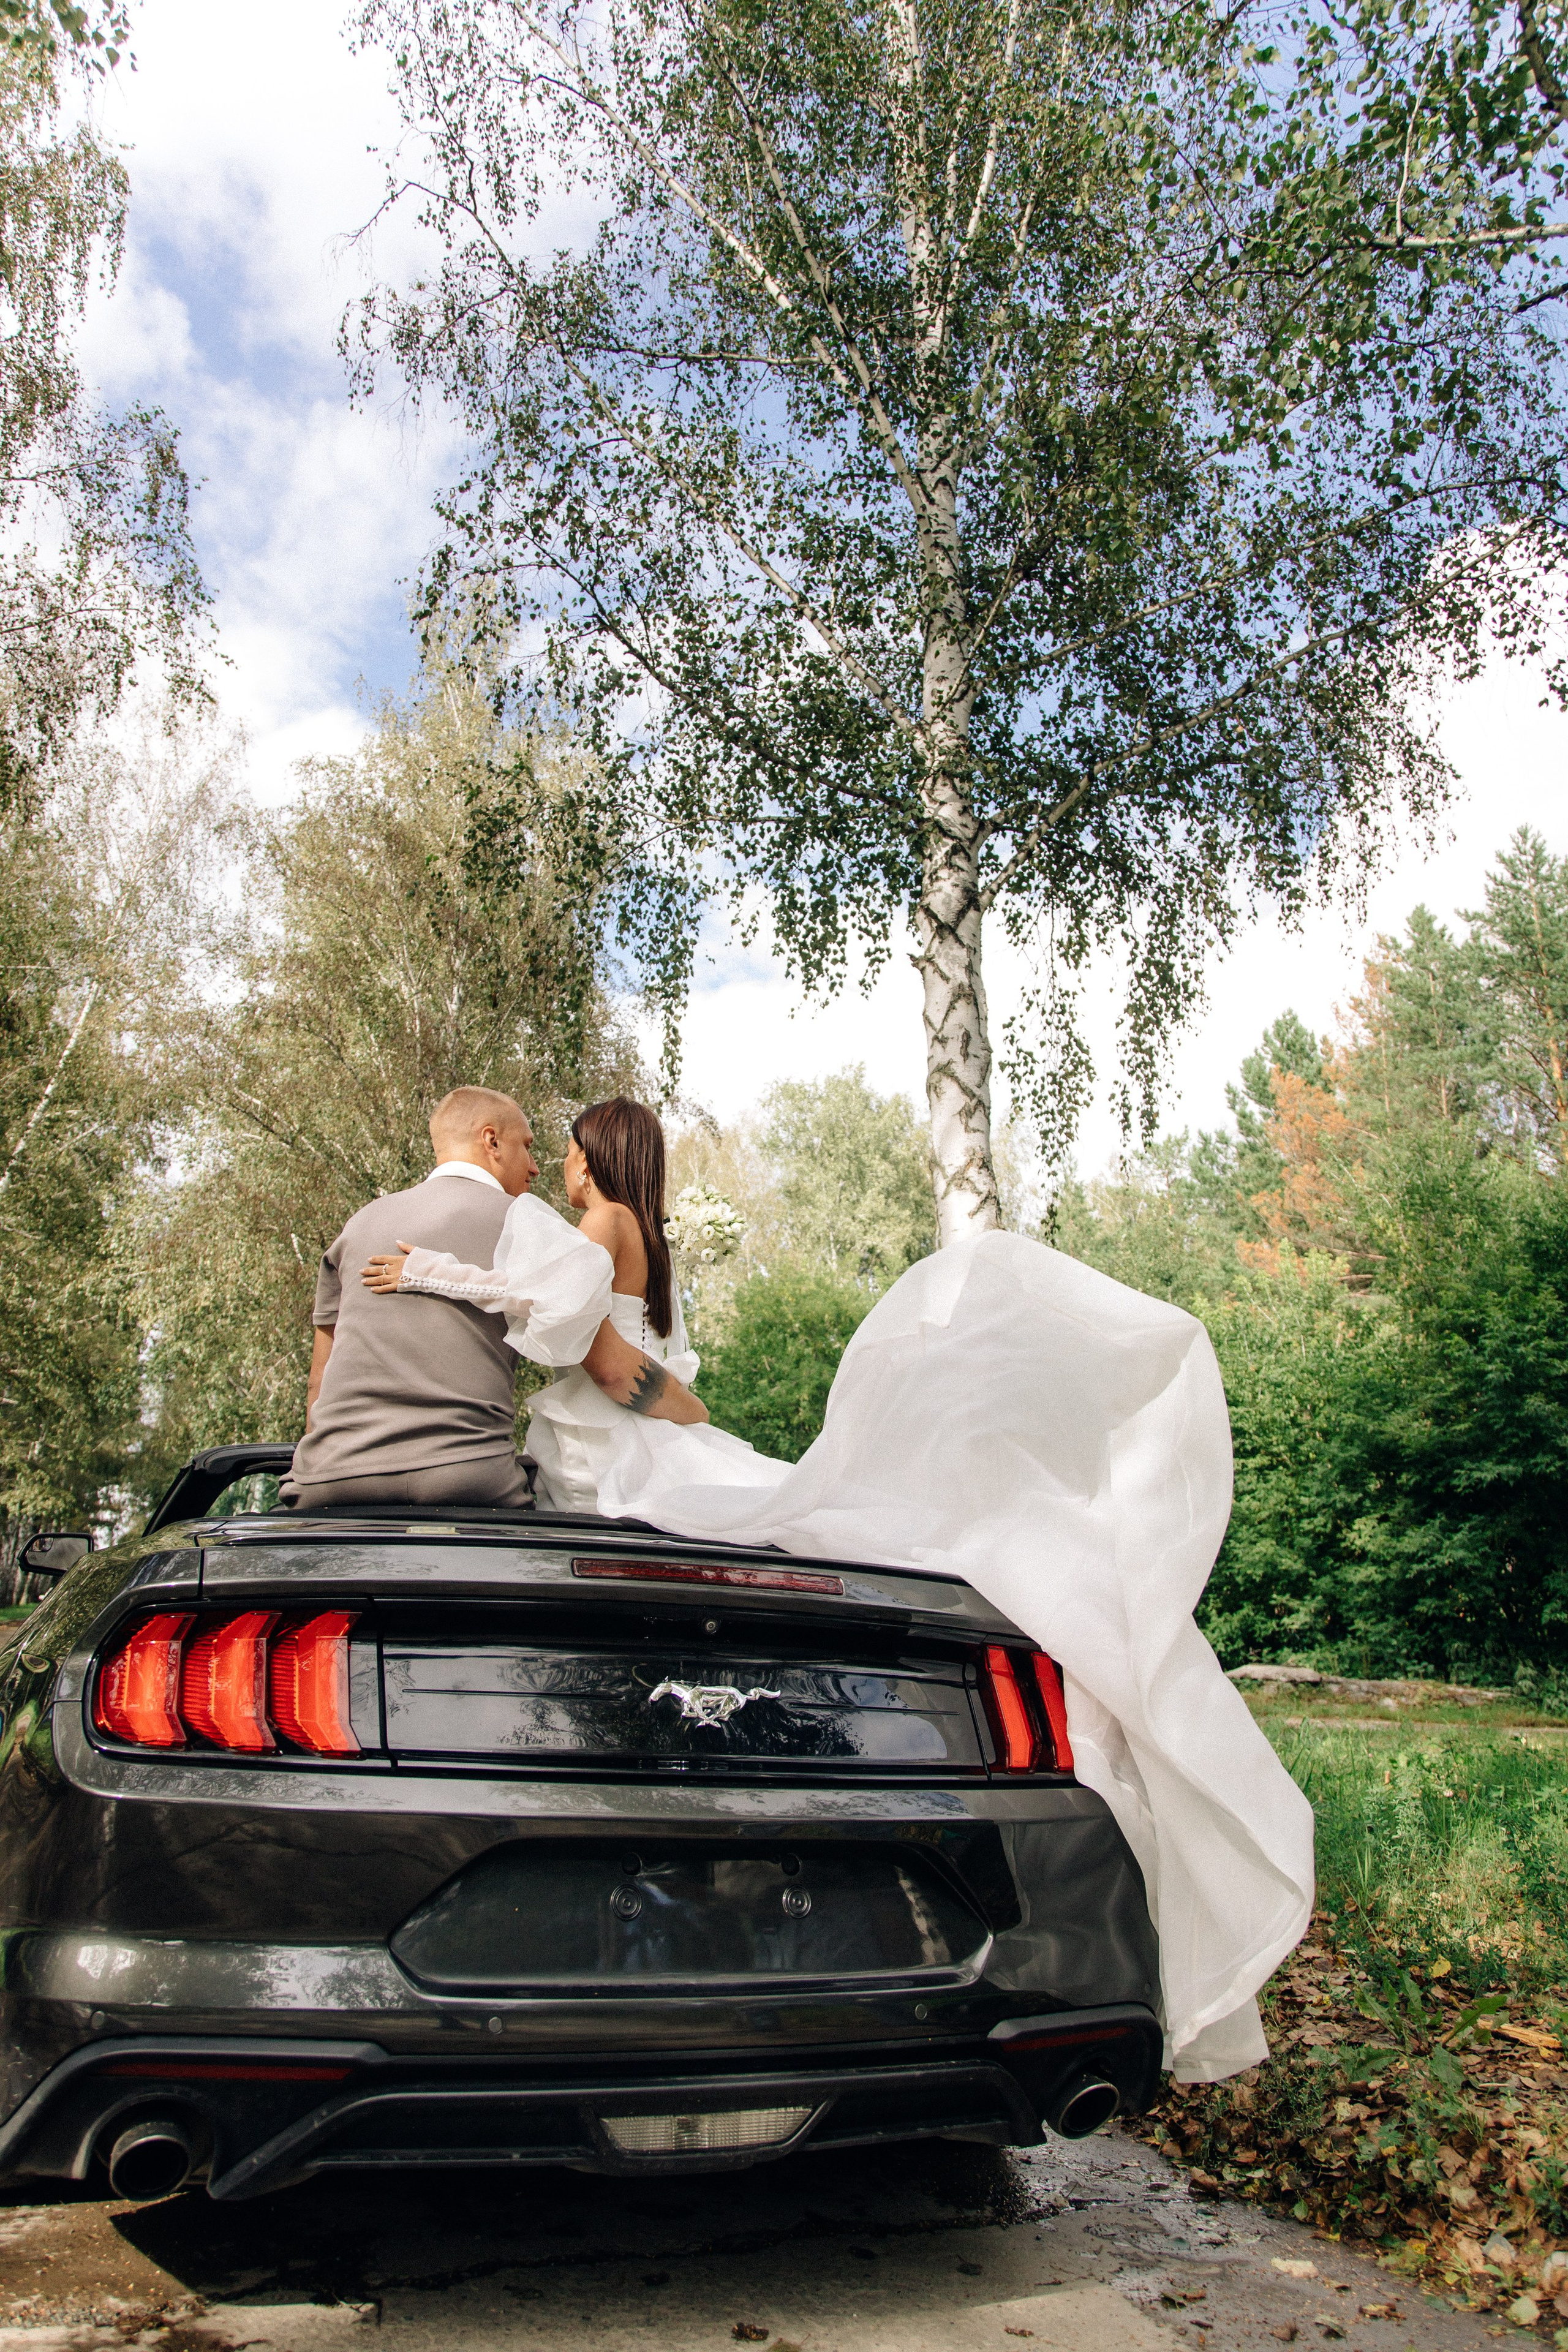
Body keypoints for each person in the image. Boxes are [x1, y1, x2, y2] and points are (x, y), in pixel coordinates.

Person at [363, 1103, 1314, 2090]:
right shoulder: (640, 1229)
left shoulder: (602, 1222)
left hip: (607, 1451)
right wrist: (689, 1418)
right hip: (629, 1432)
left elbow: (589, 1346)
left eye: (562, 1150)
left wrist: (430, 1275)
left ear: (595, 1156)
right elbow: (628, 1354)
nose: (553, 1165)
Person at [286, 1085, 704, 1513]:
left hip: (328, 1475)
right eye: (527, 1146)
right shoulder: (533, 1225)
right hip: (475, 1474)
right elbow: (571, 1319)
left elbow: (320, 1380)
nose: (537, 1167)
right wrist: (695, 1413)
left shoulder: (359, 1223)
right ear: (492, 1141)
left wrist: (432, 1273)